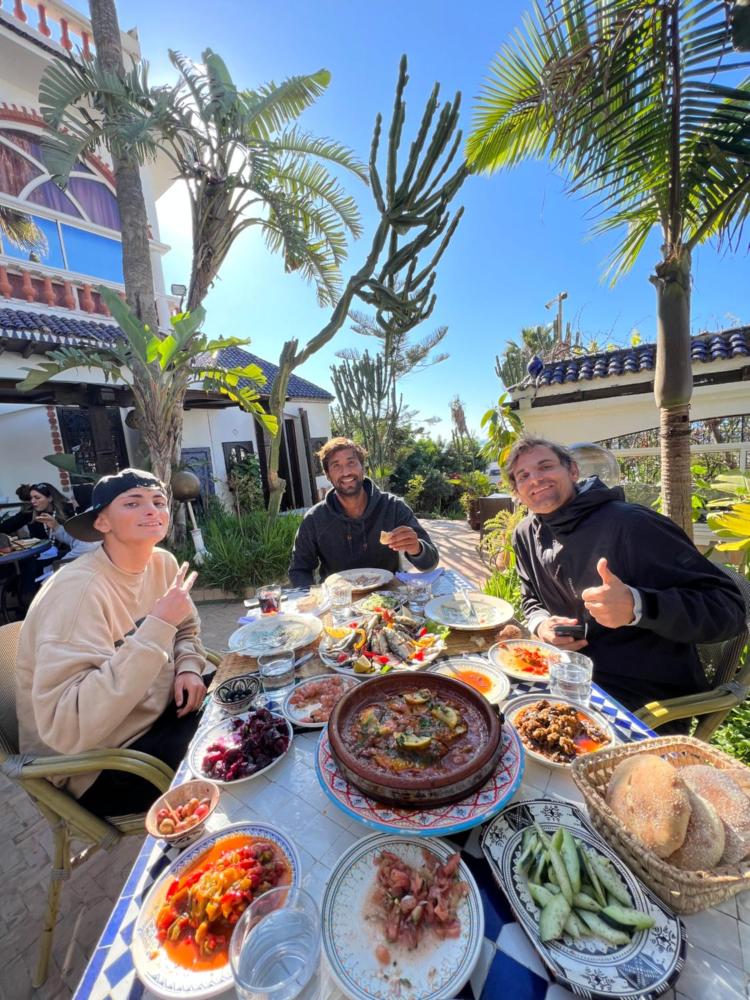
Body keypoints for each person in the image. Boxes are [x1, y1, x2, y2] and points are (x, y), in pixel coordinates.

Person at [16, 469, 208, 816]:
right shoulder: (76, 593)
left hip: (163, 713)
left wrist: (188, 668)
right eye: (132, 503)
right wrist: (157, 625)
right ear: (102, 522)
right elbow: (68, 726)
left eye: (158, 502)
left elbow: (186, 630)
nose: (151, 510)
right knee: (231, 751)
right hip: (103, 764)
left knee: (248, 702)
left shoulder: (162, 564)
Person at [506, 434, 746, 712]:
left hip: (642, 695)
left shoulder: (632, 525)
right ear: (518, 491)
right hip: (564, 673)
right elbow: (530, 597)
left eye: (546, 466)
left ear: (573, 471)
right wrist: (541, 625)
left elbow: (729, 609)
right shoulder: (524, 534)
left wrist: (638, 605)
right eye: (523, 475)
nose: (535, 479)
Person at [289, 437, 439, 587]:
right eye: (336, 465)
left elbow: (430, 564)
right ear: (328, 475)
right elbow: (299, 570)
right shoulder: (315, 518)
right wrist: (313, 596)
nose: (346, 472)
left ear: (363, 467)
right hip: (339, 598)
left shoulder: (393, 507)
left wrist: (416, 548)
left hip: (390, 596)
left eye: (351, 462)